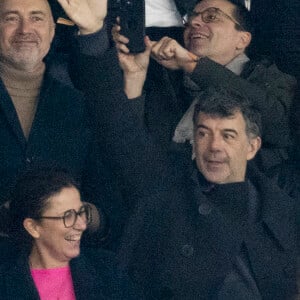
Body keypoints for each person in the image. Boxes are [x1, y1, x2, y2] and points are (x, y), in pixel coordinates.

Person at [69, 9, 298, 298]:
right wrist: (93, 37)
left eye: (228, 135)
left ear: (252, 146)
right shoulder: (164, 188)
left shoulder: (280, 205)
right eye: (203, 133)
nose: (214, 146)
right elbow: (118, 131)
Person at [113, 0, 297, 174]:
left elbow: (278, 127)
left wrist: (194, 66)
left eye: (211, 17)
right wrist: (134, 79)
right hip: (164, 195)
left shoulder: (270, 78)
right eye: (189, 20)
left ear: (242, 39)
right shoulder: (167, 81)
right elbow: (130, 145)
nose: (194, 22)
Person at [0, 0, 119, 246]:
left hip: (64, 266)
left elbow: (108, 208)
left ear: (52, 31)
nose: (25, 29)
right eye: (11, 18)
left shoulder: (78, 105)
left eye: (36, 18)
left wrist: (80, 213)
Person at [0, 165, 138, 299]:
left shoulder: (108, 271)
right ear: (33, 227)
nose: (82, 225)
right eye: (67, 216)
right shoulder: (7, 286)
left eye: (81, 212)